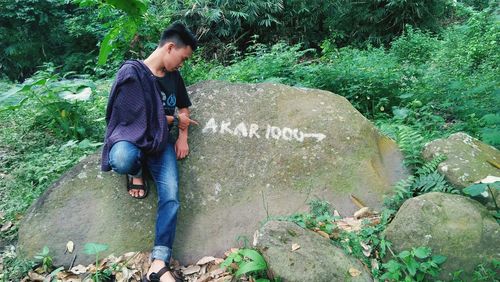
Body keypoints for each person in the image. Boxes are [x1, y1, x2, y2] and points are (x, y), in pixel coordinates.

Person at [101, 22, 198, 282]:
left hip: (161, 144)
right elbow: (125, 117)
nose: (182, 64)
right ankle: (136, 171)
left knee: (171, 196)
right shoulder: (132, 73)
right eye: (183, 57)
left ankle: (158, 263)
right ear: (169, 47)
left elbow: (184, 109)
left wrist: (183, 136)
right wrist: (169, 120)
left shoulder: (174, 78)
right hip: (131, 140)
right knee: (122, 158)